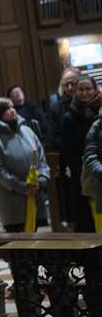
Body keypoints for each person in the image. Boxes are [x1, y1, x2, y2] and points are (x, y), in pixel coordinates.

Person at [0, 97, 50, 232]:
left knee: (36, 236)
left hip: (35, 190)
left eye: (12, 107)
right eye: (7, 109)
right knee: (17, 239)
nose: (12, 110)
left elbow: (41, 157)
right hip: (13, 198)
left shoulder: (27, 131)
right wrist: (23, 187)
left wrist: (42, 179)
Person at [61, 76, 99, 231]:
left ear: (95, 90)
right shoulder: (69, 117)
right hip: (83, 175)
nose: (84, 93)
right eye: (80, 90)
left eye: (88, 89)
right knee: (87, 223)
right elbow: (69, 153)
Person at [45, 66, 80, 149]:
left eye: (73, 83)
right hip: (70, 152)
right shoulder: (55, 109)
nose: (69, 87)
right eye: (66, 84)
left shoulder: (90, 102)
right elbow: (53, 138)